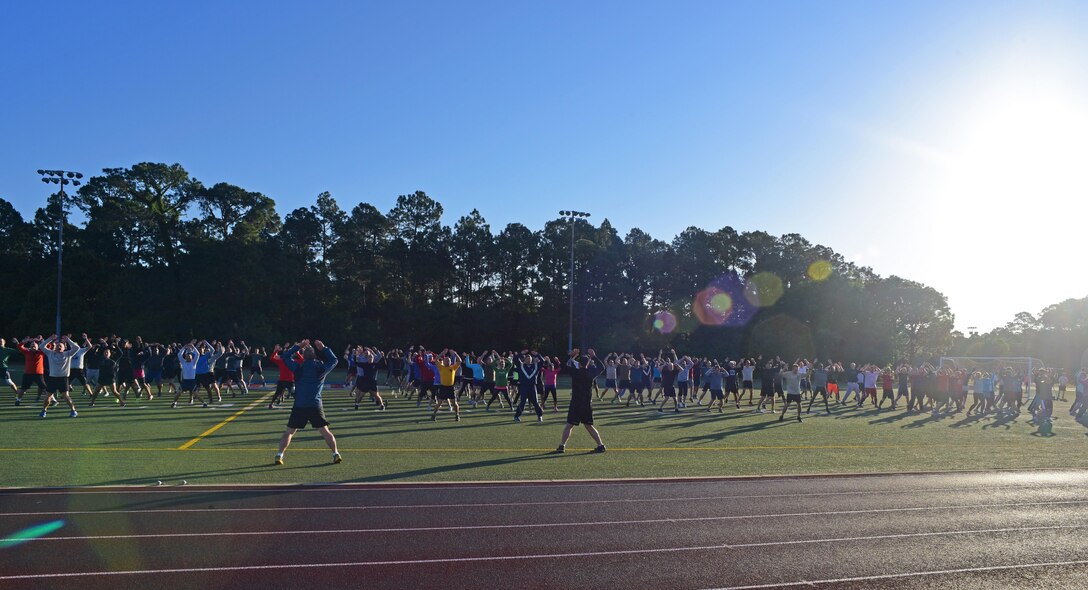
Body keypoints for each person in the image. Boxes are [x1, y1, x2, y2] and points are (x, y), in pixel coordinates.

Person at [274, 339, 341, 466]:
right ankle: (336, 453)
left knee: (289, 432)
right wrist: (324, 348)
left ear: (303, 356)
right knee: (325, 431)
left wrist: (298, 346)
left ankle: (279, 455)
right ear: (315, 355)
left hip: (300, 405)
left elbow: (285, 356)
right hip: (315, 404)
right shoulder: (320, 368)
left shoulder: (298, 367)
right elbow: (334, 360)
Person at [555, 349, 606, 453]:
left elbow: (563, 366)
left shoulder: (575, 372)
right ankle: (600, 445)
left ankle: (562, 445)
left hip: (576, 402)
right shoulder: (591, 373)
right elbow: (602, 367)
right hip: (586, 403)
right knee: (589, 425)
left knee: (569, 425)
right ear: (588, 363)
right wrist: (594, 356)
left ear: (579, 363)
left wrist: (570, 355)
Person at [40, 334, 81, 418]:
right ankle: (44, 411)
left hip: (63, 378)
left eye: (61, 346)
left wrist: (68, 340)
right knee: (48, 395)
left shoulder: (68, 354)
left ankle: (73, 410)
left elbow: (77, 348)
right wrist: (49, 339)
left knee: (66, 396)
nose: (59, 347)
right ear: (55, 347)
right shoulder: (50, 353)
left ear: (64, 348)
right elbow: (41, 346)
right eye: (57, 346)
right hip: (53, 378)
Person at [351, 346, 387, 411]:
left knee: (377, 395)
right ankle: (356, 405)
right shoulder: (365, 364)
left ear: (373, 358)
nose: (370, 359)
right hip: (366, 382)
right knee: (361, 395)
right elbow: (356, 363)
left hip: (373, 382)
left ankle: (382, 405)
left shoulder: (375, 365)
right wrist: (355, 355)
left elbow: (384, 364)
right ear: (367, 359)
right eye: (369, 358)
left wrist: (383, 356)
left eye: (371, 357)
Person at [512, 350, 544, 422]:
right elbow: (515, 359)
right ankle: (517, 416)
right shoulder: (521, 366)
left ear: (531, 359)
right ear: (524, 359)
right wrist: (521, 353)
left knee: (535, 402)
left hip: (532, 387)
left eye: (529, 358)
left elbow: (542, 361)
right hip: (524, 387)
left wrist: (537, 354)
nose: (528, 359)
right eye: (527, 358)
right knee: (522, 402)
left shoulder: (535, 366)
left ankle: (539, 416)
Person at [17, 337, 47, 404]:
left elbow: (48, 347)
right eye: (32, 345)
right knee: (23, 388)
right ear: (30, 347)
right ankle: (18, 400)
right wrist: (26, 341)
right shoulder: (27, 352)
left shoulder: (41, 352)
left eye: (35, 345)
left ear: (37, 347)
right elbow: (19, 346)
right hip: (28, 374)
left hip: (38, 374)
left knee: (45, 388)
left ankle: (52, 400)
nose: (33, 346)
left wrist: (42, 341)